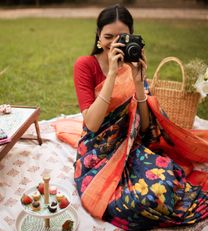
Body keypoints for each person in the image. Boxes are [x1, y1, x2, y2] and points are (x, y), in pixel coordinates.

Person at [73, 4, 208, 230]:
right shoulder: (85, 65)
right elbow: (93, 124)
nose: (114, 44)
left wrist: (138, 82)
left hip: (130, 147)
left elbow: (145, 127)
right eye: (108, 37)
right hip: (98, 152)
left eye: (121, 37)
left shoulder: (132, 65)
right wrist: (113, 74)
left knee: (165, 184)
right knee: (130, 202)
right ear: (98, 35)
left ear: (132, 37)